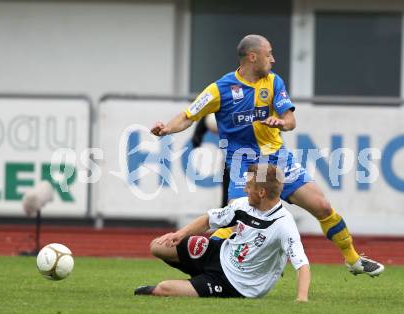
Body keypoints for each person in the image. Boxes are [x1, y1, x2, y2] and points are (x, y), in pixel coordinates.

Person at [150, 34, 384, 277]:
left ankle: (354, 260)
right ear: (253, 57)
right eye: (268, 54)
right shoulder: (220, 89)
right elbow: (189, 116)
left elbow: (291, 121)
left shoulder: (273, 82)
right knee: (234, 224)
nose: (273, 59)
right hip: (244, 165)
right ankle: (206, 267)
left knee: (322, 206)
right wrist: (167, 128)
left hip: (277, 159)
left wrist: (281, 122)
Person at [134, 164, 310, 300]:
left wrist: (301, 299)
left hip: (236, 284)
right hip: (219, 253)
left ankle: (199, 282)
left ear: (262, 192)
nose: (244, 189)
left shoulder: (284, 224)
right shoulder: (242, 205)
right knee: (157, 246)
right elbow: (208, 220)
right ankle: (200, 277)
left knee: (164, 288)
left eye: (248, 186)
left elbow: (302, 265)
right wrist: (179, 234)